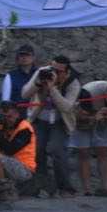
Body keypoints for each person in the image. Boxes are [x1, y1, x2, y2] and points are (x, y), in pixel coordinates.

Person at [21, 55, 81, 197]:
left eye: (59, 71)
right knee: (37, 150)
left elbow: (67, 107)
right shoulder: (42, 73)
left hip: (60, 121)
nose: (54, 73)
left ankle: (64, 187)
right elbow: (24, 94)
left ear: (66, 72)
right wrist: (37, 83)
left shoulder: (73, 83)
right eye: (53, 69)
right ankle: (42, 186)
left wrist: (52, 88)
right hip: (39, 119)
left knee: (57, 150)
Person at [70, 80, 107, 196]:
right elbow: (78, 117)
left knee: (104, 152)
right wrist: (94, 117)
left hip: (103, 122)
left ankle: (106, 188)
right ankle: (87, 189)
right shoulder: (87, 92)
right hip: (82, 122)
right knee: (84, 153)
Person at [1, 43, 38, 113]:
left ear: (33, 57)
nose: (24, 57)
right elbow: (5, 100)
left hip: (37, 112)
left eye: (27, 55)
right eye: (21, 55)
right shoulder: (10, 76)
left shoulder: (39, 73)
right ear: (17, 58)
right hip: (17, 113)